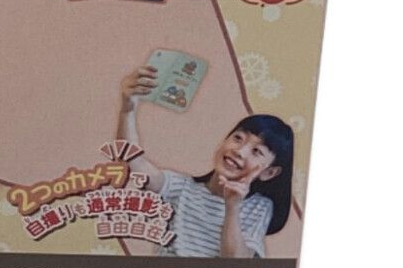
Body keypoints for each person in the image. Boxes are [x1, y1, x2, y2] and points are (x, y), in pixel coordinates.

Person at [118, 64, 293, 258]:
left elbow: (236, 263)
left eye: (256, 151)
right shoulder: (181, 188)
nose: (240, 151)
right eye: (238, 138)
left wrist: (232, 206)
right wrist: (127, 109)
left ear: (269, 172)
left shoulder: (259, 207)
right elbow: (133, 162)